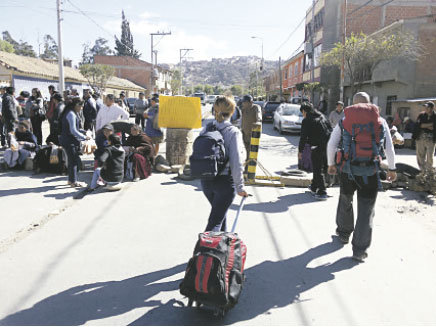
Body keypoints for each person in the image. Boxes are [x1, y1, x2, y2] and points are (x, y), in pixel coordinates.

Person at [327, 92, 397, 262]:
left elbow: (332, 143)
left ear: (354, 104)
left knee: (346, 200)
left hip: (347, 170)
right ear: (369, 103)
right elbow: (389, 147)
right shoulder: (380, 121)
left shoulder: (345, 120)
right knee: (366, 210)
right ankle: (359, 251)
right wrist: (392, 168)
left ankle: (344, 234)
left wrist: (331, 164)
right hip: (371, 172)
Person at [200, 96, 248, 232]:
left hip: (206, 182)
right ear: (232, 111)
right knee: (215, 222)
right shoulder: (233, 132)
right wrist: (240, 187)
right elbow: (236, 161)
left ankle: (221, 249)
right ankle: (204, 251)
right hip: (224, 183)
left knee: (220, 215)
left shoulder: (207, 129)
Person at [299, 102, 331, 200]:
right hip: (328, 146)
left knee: (318, 168)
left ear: (304, 111)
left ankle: (322, 191)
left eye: (302, 112)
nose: (302, 115)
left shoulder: (307, 120)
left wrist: (300, 151)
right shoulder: (322, 116)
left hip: (317, 146)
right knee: (322, 166)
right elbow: (330, 129)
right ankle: (314, 186)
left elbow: (303, 137)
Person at [59, 98, 90, 188]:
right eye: (81, 106)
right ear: (77, 105)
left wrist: (83, 131)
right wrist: (84, 137)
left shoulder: (69, 112)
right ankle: (74, 181)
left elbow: (74, 128)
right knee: (74, 161)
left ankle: (70, 180)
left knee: (72, 160)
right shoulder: (71, 114)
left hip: (67, 140)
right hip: (69, 141)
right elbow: (73, 130)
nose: (82, 108)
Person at [412, 101, 436, 180]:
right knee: (420, 156)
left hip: (431, 140)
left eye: (427, 107)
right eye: (425, 107)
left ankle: (429, 173)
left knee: (430, 157)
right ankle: (422, 172)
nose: (425, 108)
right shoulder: (421, 115)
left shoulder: (435, 116)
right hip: (420, 138)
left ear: (432, 108)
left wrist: (424, 125)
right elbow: (419, 125)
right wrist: (430, 125)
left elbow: (433, 127)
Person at [240, 94, 262, 158]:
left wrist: (258, 120)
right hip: (244, 133)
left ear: (250, 102)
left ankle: (250, 165)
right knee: (247, 151)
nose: (243, 104)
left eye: (244, 102)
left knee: (252, 152)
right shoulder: (243, 109)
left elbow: (259, 115)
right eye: (243, 102)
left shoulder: (256, 107)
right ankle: (247, 162)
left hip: (253, 134)